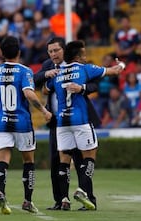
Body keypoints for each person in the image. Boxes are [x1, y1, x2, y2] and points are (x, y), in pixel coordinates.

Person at [44, 40, 125, 211]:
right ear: (78, 56)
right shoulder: (84, 68)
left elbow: (45, 89)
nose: (86, 57)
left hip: (62, 123)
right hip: (80, 121)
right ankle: (82, 190)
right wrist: (122, 64)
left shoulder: (57, 73)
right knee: (89, 157)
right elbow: (114, 71)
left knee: (64, 161)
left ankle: (65, 199)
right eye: (84, 54)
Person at [0, 36, 52, 215]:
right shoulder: (24, 71)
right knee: (28, 160)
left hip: (3, 122)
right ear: (19, 52)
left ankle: (1, 193)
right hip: (22, 123)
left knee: (3, 160)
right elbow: (29, 94)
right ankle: (27, 200)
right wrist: (43, 110)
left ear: (2, 54)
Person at [34, 37, 101, 211]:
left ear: (64, 50)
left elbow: (94, 85)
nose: (53, 54)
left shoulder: (77, 64)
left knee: (81, 159)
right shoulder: (49, 66)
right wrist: (45, 74)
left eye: (56, 50)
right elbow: (34, 80)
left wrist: (82, 88)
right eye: (50, 51)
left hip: (77, 118)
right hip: (57, 120)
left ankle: (88, 197)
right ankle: (61, 200)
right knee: (56, 160)